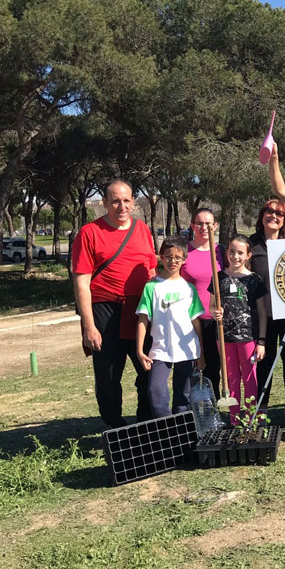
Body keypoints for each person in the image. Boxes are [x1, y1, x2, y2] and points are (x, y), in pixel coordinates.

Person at [72, 179, 158, 428]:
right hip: (105, 311)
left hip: (140, 311)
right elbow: (81, 283)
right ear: (105, 202)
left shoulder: (143, 230)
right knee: (108, 375)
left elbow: (151, 272)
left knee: (148, 370)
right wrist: (89, 326)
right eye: (116, 201)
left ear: (133, 202)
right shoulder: (89, 233)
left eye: (127, 200)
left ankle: (146, 422)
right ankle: (115, 426)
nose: (122, 206)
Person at [136, 236, 206, 418]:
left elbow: (196, 322)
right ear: (161, 256)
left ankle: (181, 437)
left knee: (183, 398)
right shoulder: (152, 287)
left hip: (188, 350)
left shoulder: (189, 289)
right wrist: (139, 350)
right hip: (160, 349)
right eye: (168, 256)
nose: (172, 261)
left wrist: (201, 353)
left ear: (184, 259)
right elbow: (143, 319)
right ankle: (166, 429)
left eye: (177, 257)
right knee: (155, 392)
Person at [249, 198, 285, 424]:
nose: (273, 216)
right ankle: (262, 407)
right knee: (264, 361)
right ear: (262, 216)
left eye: (279, 214)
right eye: (269, 211)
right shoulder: (251, 245)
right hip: (263, 315)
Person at [208, 235, 268, 423]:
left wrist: (261, 341)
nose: (235, 256)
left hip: (248, 338)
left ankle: (251, 416)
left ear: (248, 255)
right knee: (231, 377)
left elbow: (262, 312)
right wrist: (214, 312)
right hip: (224, 339)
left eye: (240, 253)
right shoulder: (219, 278)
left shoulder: (254, 280)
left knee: (250, 378)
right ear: (226, 253)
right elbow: (211, 306)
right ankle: (235, 418)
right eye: (231, 252)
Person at [180, 208, 225, 400]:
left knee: (214, 369)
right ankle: (191, 410)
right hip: (191, 320)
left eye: (208, 223)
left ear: (215, 225)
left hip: (217, 320)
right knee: (192, 368)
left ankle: (211, 411)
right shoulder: (184, 252)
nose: (204, 227)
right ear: (192, 226)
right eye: (199, 223)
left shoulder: (221, 251)